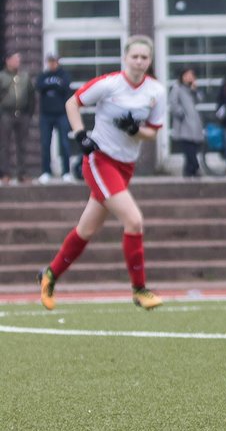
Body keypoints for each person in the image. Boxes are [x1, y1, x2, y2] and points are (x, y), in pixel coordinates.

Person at [38, 36, 166, 311]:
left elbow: (153, 133)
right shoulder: (109, 84)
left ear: (150, 61)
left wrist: (136, 130)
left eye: (145, 57)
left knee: (87, 229)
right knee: (134, 220)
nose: (140, 61)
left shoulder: (156, 91)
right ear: (125, 58)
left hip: (125, 165)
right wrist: (80, 135)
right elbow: (72, 103)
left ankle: (49, 275)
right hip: (100, 160)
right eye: (135, 56)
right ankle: (139, 289)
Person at [36, 53, 74, 184]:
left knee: (64, 143)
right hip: (46, 115)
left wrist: (51, 86)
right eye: (50, 61)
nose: (52, 64)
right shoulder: (43, 75)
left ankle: (66, 172)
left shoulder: (64, 75)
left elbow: (65, 88)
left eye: (54, 61)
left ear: (58, 62)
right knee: (46, 143)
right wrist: (53, 86)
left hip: (61, 114)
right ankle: (46, 172)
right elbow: (39, 87)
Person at [0, 51, 37, 184]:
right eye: (15, 59)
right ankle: (5, 174)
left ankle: (22, 173)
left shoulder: (25, 76)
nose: (18, 61)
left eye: (18, 59)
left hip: (22, 114)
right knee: (4, 145)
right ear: (8, 60)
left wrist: (29, 113)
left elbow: (31, 96)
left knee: (22, 145)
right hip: (5, 115)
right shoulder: (2, 77)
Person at [168, 67, 205, 178]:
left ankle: (189, 173)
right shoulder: (177, 88)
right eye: (187, 75)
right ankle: (196, 168)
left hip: (194, 124)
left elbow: (200, 99)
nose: (189, 77)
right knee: (189, 149)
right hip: (184, 124)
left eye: (191, 75)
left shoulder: (192, 89)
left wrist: (194, 90)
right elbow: (173, 104)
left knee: (193, 147)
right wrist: (181, 114)